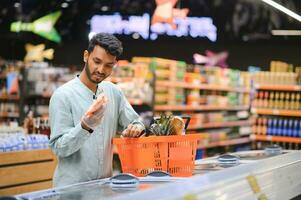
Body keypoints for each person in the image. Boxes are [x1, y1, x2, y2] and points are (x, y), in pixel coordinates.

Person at [49, 33, 145, 187]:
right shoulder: (63, 96)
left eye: (108, 65)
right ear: (86, 56)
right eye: (97, 61)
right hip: (71, 192)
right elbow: (59, 148)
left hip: (103, 188)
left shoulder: (114, 92)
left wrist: (136, 128)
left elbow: (135, 122)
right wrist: (85, 127)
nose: (101, 69)